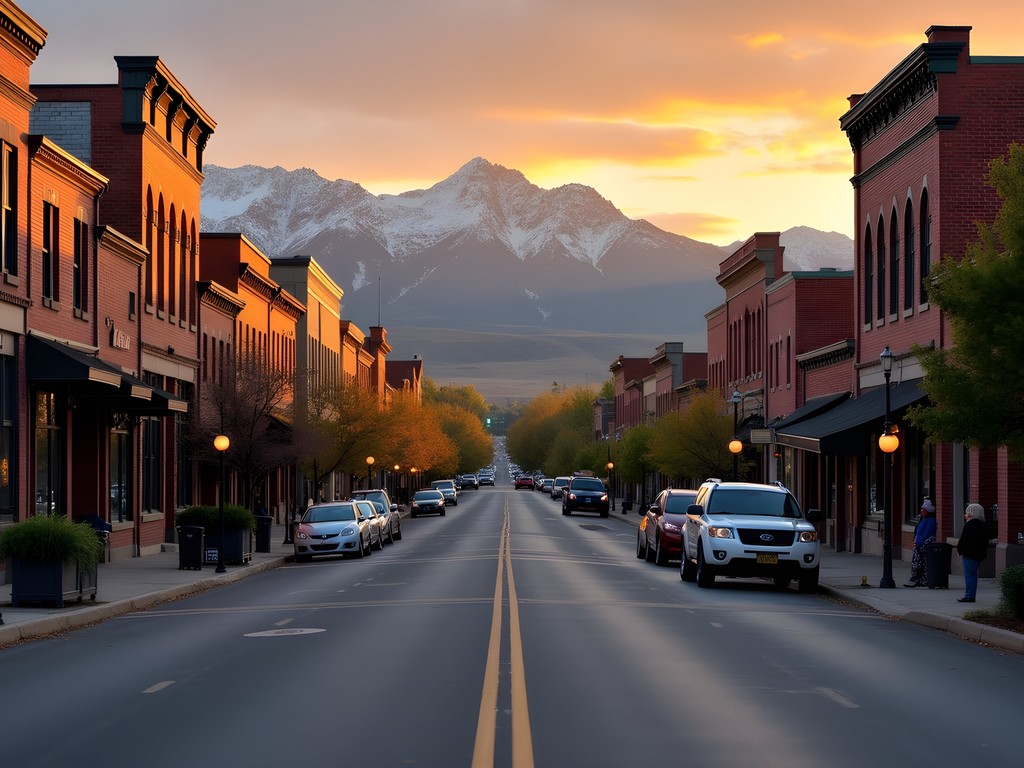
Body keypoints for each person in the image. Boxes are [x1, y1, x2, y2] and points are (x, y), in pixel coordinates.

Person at [956, 503, 989, 603]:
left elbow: (964, 540)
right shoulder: (983, 525)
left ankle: (969, 596)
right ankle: (970, 595)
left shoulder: (969, 525)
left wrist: (960, 551)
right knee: (973, 574)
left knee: (969, 575)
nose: (965, 515)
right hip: (979, 554)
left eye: (967, 513)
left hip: (969, 554)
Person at [904, 498, 937, 587]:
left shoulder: (931, 521)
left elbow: (928, 535)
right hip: (919, 546)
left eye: (924, 509)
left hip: (923, 547)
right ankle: (917, 578)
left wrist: (920, 544)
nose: (922, 511)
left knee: (923, 564)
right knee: (918, 563)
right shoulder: (922, 520)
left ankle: (922, 579)